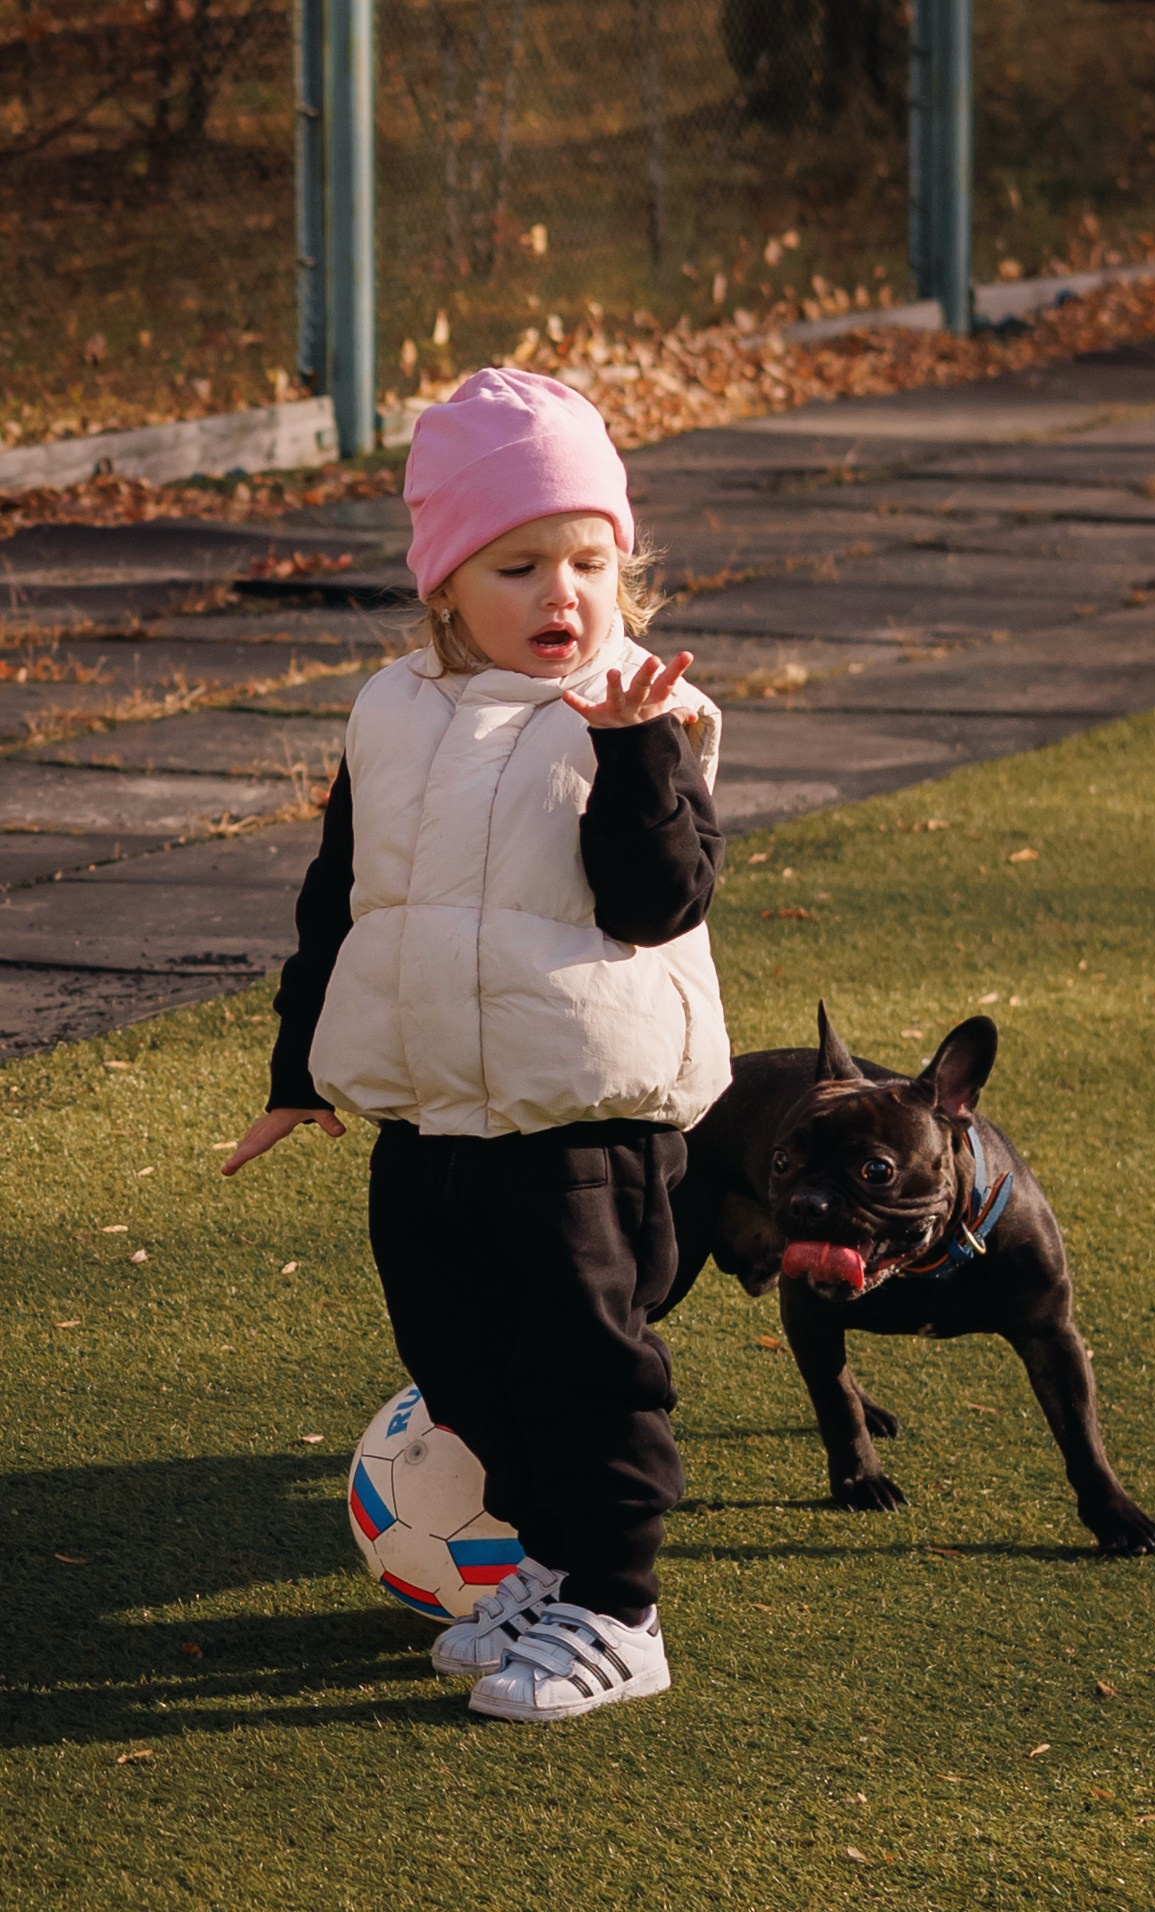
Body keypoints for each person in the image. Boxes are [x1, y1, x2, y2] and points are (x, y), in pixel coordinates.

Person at [222, 368, 732, 1723]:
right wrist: (298, 1073)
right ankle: (554, 1565)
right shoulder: (392, 708)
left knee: (582, 1367)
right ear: (445, 583)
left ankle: (623, 1613)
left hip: (582, 1124)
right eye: (519, 564)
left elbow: (660, 899)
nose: (563, 591)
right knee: (462, 1365)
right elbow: (342, 899)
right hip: (433, 1121)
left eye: (590, 559)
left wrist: (634, 760)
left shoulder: (644, 713)